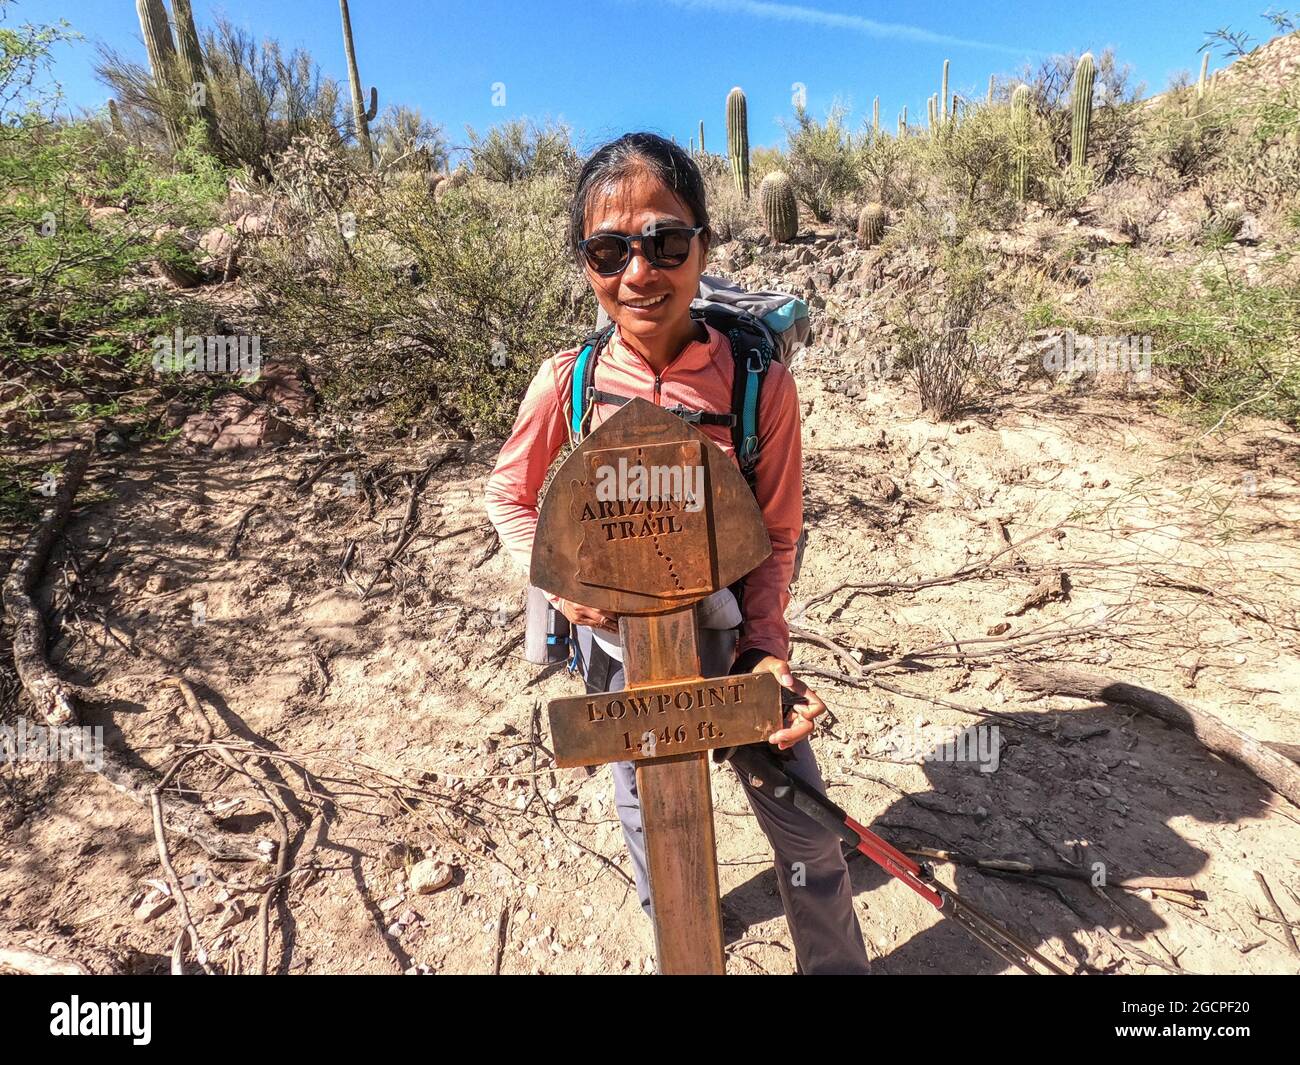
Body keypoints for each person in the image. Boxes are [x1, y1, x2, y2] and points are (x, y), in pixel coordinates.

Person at [485, 132, 869, 974]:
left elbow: (774, 535)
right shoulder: (568, 383)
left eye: (665, 242)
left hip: (731, 648)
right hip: (622, 658)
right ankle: (684, 940)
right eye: (608, 249)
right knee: (650, 821)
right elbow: (510, 497)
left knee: (806, 827)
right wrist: (553, 576)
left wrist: (768, 653)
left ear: (703, 246)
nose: (638, 272)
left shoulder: (756, 383)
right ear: (584, 262)